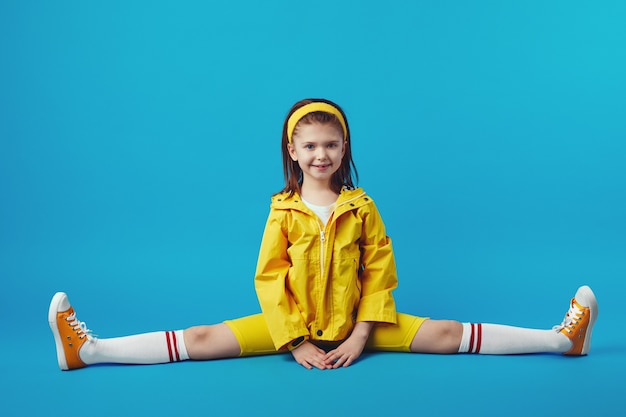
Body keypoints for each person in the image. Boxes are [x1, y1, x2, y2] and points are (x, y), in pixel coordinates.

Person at [48, 98, 599, 371]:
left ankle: (562, 339)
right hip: (294, 329)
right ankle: (88, 350)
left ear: (344, 150)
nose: (320, 154)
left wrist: (360, 336)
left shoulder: (361, 207)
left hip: (359, 326)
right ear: (292, 151)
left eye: (331, 145)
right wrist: (294, 341)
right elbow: (269, 278)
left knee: (446, 332)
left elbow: (379, 272)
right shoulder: (282, 211)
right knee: (202, 339)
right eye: (309, 146)